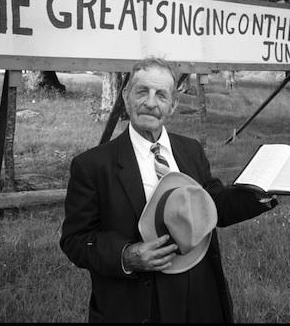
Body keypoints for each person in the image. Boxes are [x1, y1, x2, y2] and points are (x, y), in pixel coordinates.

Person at [60, 57, 277, 323]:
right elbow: (75, 240)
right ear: (126, 97)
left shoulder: (191, 150)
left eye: (161, 95)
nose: (150, 103)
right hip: (138, 300)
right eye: (142, 91)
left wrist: (262, 193)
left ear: (173, 105)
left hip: (200, 289)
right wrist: (126, 256)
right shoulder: (92, 165)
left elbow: (214, 204)